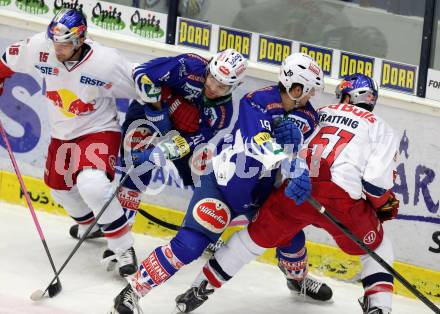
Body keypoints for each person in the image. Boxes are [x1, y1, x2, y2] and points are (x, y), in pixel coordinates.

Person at [110, 52, 332, 314]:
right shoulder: (256, 101)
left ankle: (297, 280)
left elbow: (305, 143)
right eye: (309, 90)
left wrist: (298, 153)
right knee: (190, 245)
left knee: (292, 236)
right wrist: (292, 165)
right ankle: (132, 292)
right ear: (297, 88)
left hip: (264, 193)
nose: (312, 97)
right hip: (224, 186)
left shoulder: (308, 115)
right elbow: (257, 141)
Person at [183, 73, 400, 314]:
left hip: (297, 189)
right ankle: (379, 308)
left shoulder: (320, 112)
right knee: (378, 249)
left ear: (345, 95)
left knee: (249, 241)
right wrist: (381, 206)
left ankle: (197, 289)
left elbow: (285, 146)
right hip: (342, 201)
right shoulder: (382, 128)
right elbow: (375, 185)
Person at [0, 9, 139, 277]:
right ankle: (93, 225)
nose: (57, 48)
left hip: (99, 129)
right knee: (59, 189)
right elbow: (7, 59)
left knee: (93, 185)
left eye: (63, 44)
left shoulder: (106, 62)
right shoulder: (41, 47)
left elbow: (143, 86)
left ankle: (123, 247)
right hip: (62, 133)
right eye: (54, 42)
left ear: (79, 40)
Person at [116, 48, 247, 228]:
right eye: (212, 79)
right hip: (150, 111)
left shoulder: (222, 114)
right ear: (208, 67)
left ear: (235, 86)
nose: (213, 88)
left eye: (222, 86)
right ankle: (121, 225)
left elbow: (192, 141)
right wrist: (157, 112)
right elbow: (142, 73)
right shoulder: (188, 66)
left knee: (199, 171)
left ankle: (203, 228)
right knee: (135, 167)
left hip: (183, 134)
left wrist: (160, 152)